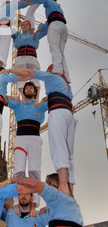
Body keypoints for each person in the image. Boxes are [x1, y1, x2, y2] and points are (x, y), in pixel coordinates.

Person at [21, 67, 76, 196]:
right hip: (69, 115)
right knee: (69, 154)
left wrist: (11, 71)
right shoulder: (67, 87)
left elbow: (31, 73)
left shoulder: (51, 77)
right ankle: (70, 190)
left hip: (57, 113)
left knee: (59, 150)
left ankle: (63, 188)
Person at [5, 80, 48, 212]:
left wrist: (42, 100)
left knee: (35, 171)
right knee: (19, 171)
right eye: (27, 88)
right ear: (23, 91)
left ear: (35, 92)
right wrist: (15, 97)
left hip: (35, 138)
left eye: (31, 88)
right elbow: (4, 99)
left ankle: (34, 203)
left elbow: (51, 98)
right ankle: (17, 202)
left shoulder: (40, 106)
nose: (29, 89)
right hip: (20, 138)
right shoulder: (18, 104)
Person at [0, 174, 84, 227]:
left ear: (53, 184)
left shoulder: (40, 215)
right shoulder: (11, 214)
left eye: (47, 184)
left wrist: (12, 180)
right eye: (21, 194)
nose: (23, 196)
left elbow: (36, 184)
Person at [21, 0, 70, 82]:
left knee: (54, 48)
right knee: (61, 52)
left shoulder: (48, 1)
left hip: (54, 25)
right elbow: (48, 22)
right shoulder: (58, 7)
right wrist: (41, 28)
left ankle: (57, 71)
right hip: (63, 27)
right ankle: (66, 76)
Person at [0, 0, 28, 78]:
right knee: (1, 52)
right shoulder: (11, 6)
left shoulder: (0, 12)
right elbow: (23, 3)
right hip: (5, 28)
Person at [11, 19, 48, 100]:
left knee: (35, 75)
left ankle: (37, 98)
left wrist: (51, 19)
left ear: (30, 27)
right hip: (21, 57)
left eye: (26, 25)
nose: (24, 26)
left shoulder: (34, 35)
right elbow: (9, 29)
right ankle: (23, 98)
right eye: (23, 25)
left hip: (32, 57)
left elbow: (44, 29)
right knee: (20, 76)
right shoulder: (17, 35)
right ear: (21, 27)